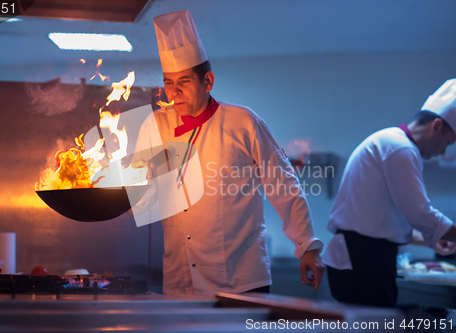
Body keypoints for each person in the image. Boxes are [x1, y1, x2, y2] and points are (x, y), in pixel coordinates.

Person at [133, 9, 324, 295]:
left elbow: (283, 184)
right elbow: (139, 188)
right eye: (168, 83)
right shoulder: (155, 124)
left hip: (241, 280)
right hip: (180, 281)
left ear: (207, 81)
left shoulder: (243, 122)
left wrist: (307, 245)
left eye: (183, 82)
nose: (174, 93)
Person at [323, 79, 456, 308]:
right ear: (436, 126)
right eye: (447, 142)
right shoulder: (400, 147)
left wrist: (433, 241)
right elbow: (419, 213)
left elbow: (383, 221)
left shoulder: (391, 142)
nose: (444, 150)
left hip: (359, 258)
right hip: (363, 260)